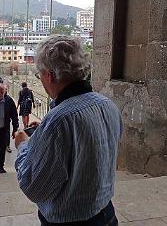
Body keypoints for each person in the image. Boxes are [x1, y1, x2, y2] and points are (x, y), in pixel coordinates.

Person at [14, 35, 122, 225]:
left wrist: (23, 144)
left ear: (50, 75)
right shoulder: (108, 105)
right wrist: (44, 136)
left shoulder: (58, 121)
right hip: (106, 213)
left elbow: (34, 187)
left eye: (40, 75)